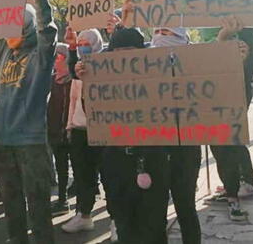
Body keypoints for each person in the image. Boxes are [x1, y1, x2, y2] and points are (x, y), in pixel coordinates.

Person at [0, 0, 57, 244]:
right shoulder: (2, 52)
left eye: (13, 24)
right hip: (3, 142)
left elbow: (47, 25)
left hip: (30, 144)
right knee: (12, 209)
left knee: (38, 210)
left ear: (26, 27)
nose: (6, 31)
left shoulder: (40, 56)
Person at [77, 27, 170, 244]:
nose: (125, 59)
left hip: (152, 159)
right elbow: (92, 113)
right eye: (119, 53)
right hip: (116, 162)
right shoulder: (103, 80)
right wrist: (86, 82)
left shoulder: (156, 80)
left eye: (131, 52)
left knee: (154, 228)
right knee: (124, 226)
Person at [150, 27, 202, 244]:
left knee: (185, 205)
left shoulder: (199, 63)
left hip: (186, 148)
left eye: (168, 32)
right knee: (155, 210)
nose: (162, 36)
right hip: (156, 147)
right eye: (158, 31)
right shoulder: (143, 63)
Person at [205, 16, 253, 221]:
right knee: (221, 141)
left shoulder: (245, 33)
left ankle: (236, 190)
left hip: (231, 91)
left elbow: (243, 68)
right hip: (215, 91)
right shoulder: (214, 26)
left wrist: (225, 40)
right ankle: (235, 186)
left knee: (226, 139)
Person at [62, 28, 104, 234]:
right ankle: (84, 215)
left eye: (85, 43)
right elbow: (73, 100)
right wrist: (70, 124)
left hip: (103, 129)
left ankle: (116, 220)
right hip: (80, 129)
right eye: (79, 44)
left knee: (109, 175)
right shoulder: (77, 67)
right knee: (81, 175)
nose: (82, 48)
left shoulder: (107, 64)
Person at [47, 43, 73, 215]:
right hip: (55, 130)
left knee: (79, 169)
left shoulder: (75, 79)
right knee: (61, 167)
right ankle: (62, 200)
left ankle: (82, 210)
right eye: (54, 56)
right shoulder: (50, 80)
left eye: (59, 56)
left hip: (73, 131)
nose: (56, 60)